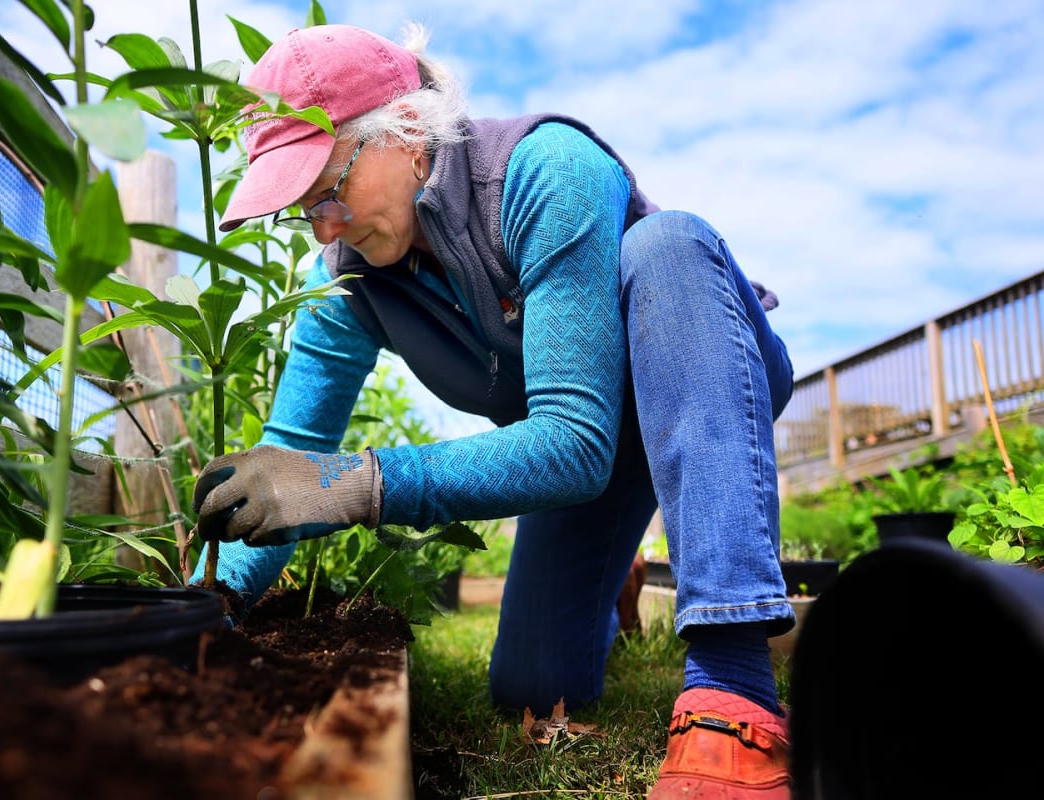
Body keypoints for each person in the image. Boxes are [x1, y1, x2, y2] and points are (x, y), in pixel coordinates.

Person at [192, 22, 795, 799]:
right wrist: (211, 609)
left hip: (704, 379)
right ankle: (619, 574)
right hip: (600, 463)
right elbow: (290, 452)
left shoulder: (543, 172)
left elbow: (572, 440)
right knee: (529, 683)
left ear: (408, 133)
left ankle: (733, 683)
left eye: (331, 190)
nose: (326, 227)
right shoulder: (346, 283)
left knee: (666, 245)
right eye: (304, 209)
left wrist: (346, 486)